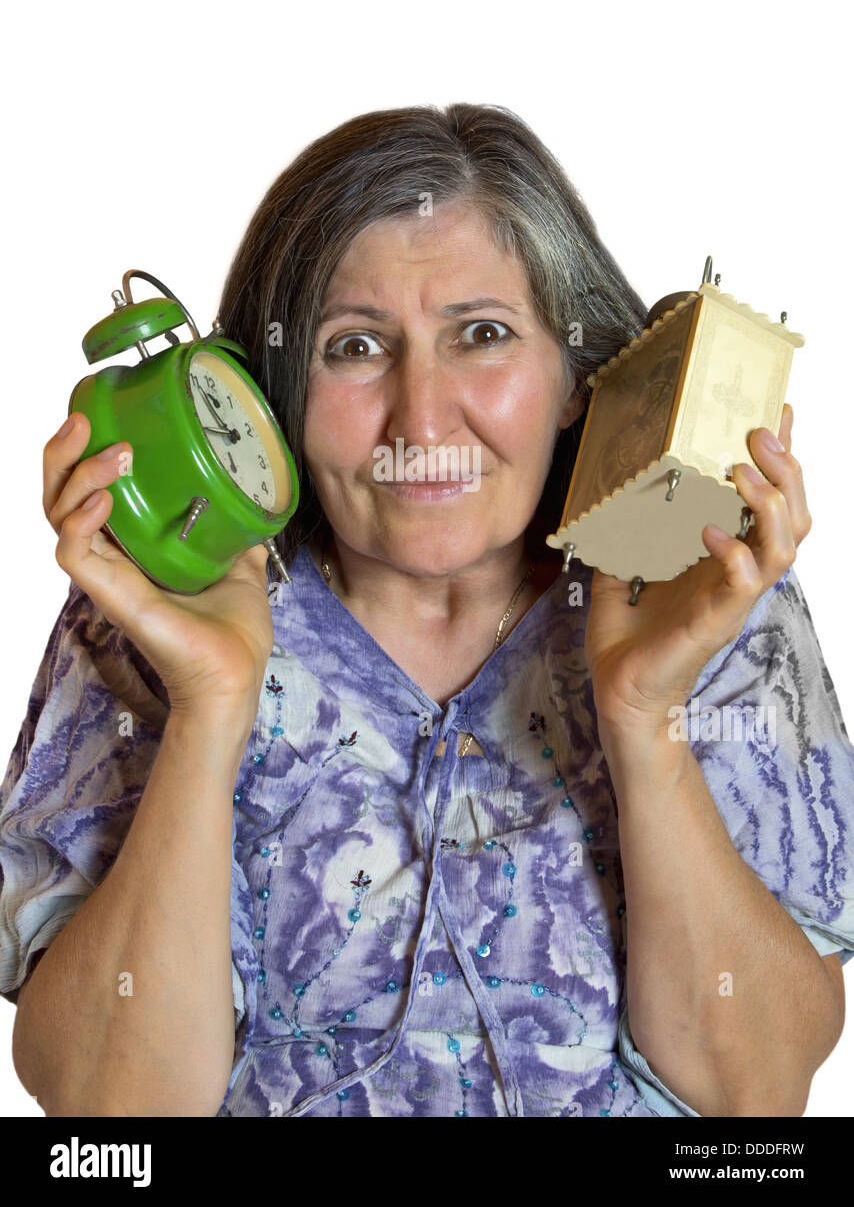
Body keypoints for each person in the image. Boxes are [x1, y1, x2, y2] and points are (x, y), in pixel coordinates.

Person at [2, 104, 852, 1119]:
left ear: (575, 376)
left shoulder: (700, 585)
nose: (420, 417)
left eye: (481, 335)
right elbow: (109, 1121)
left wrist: (643, 719)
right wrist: (209, 706)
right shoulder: (153, 610)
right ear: (267, 390)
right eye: (355, 347)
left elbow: (753, 1099)